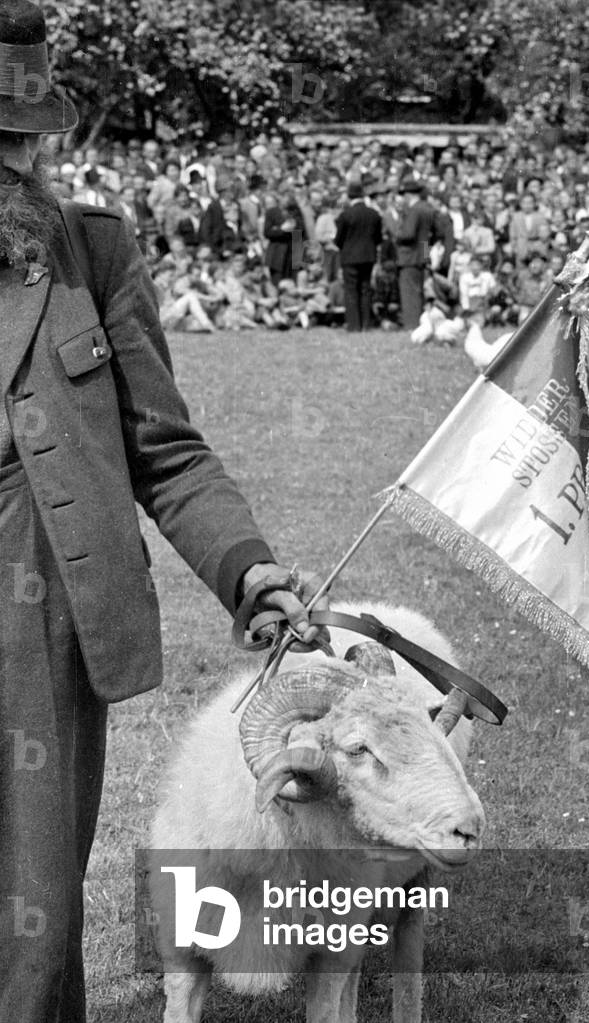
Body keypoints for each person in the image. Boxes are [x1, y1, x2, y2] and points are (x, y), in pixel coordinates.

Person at [0, 5, 326, 1022]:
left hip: (41, 622)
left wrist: (249, 570)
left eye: (23, 141)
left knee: (33, 905)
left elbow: (164, 448)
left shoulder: (89, 251)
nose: (19, 162)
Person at [333, 180, 382, 331]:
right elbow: (378, 238)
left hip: (350, 257)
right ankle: (366, 324)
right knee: (365, 289)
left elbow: (338, 240)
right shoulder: (374, 214)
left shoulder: (345, 215)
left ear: (349, 196)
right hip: (368, 256)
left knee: (351, 290)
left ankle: (354, 325)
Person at [395, 178, 438, 329]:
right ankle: (421, 323)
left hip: (409, 257)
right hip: (422, 255)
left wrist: (396, 234)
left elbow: (408, 234)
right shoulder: (427, 209)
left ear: (408, 195)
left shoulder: (414, 210)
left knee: (409, 293)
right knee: (419, 291)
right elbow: (426, 237)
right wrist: (425, 257)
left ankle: (412, 325)